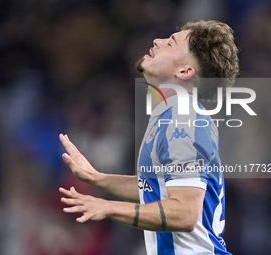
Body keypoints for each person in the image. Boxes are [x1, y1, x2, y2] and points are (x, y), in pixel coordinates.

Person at [59, 20, 239, 255]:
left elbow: (185, 213)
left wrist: (108, 207)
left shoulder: (184, 121)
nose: (158, 41)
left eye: (171, 42)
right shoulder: (170, 115)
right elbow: (157, 188)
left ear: (184, 71)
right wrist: (98, 178)